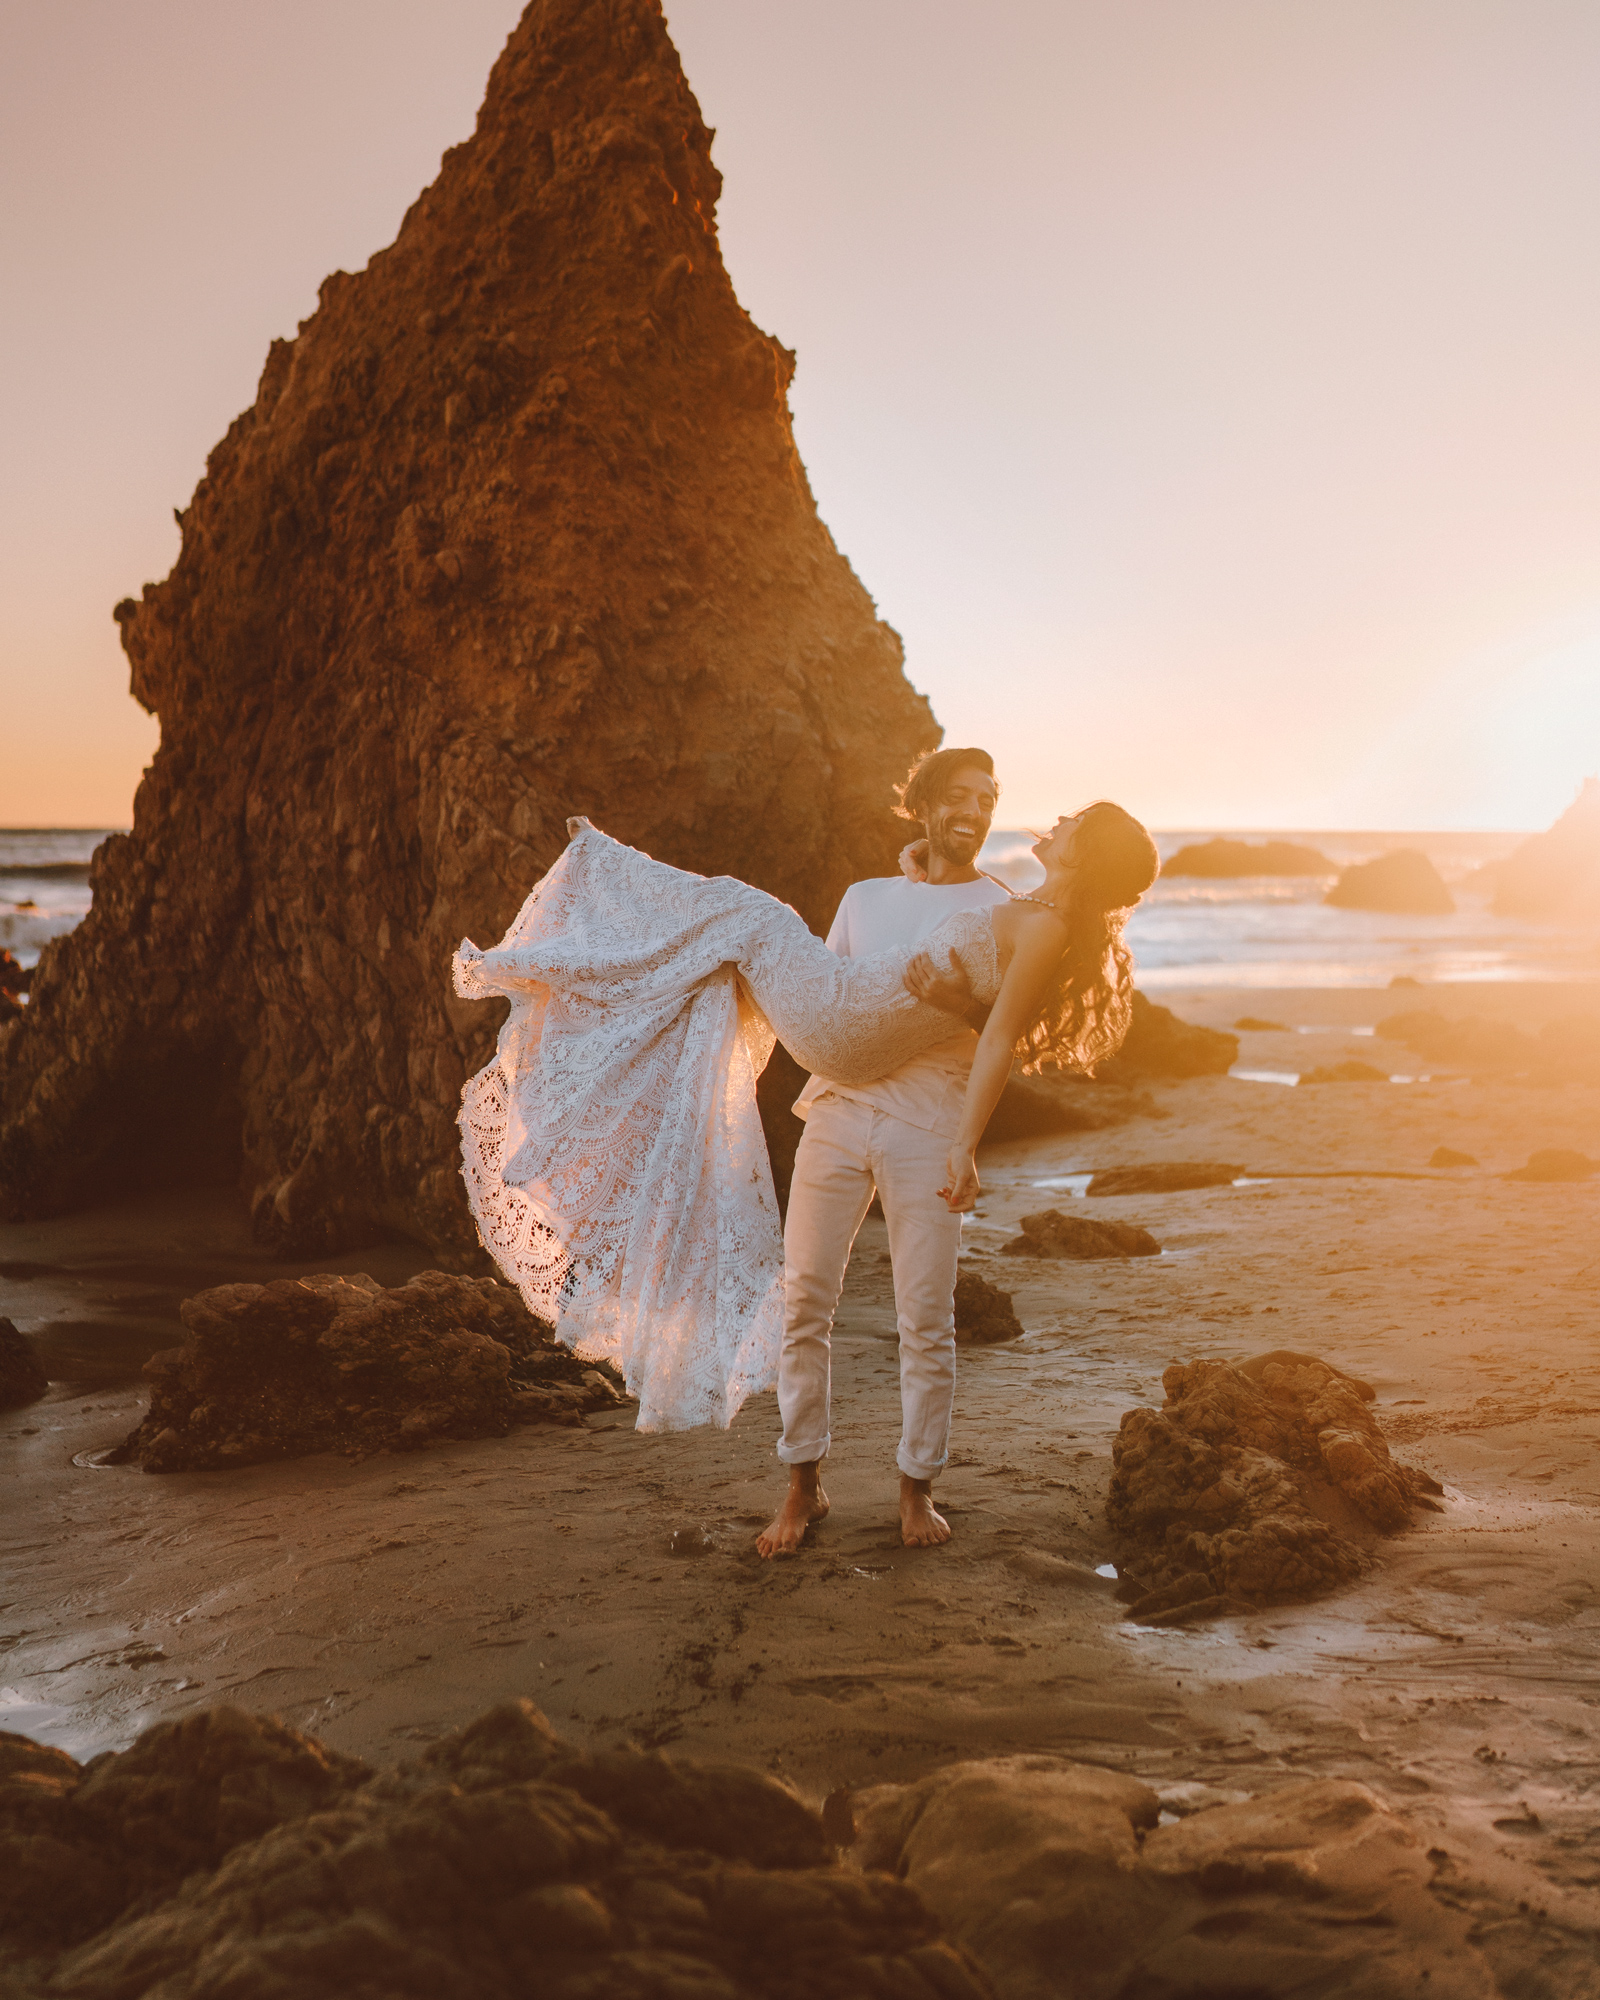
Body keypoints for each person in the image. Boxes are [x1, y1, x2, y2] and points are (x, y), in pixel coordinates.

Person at [451, 788, 1160, 1459]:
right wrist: (918, 872)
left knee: (741, 908)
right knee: (716, 951)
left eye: (1075, 821)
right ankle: (578, 959)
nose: (1058, 820)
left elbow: (1002, 1038)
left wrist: (966, 1147)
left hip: (843, 1013)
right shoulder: (1030, 910)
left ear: (1083, 853)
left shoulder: (1042, 926)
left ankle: (589, 886)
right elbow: (967, 940)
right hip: (847, 1033)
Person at [757, 748, 1010, 1557]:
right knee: (804, 1303)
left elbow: (1010, 1030)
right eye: (961, 796)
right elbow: (827, 1000)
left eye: (990, 799)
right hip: (835, 1114)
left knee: (926, 1318)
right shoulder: (865, 898)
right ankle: (802, 1486)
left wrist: (962, 1003)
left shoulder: (1002, 907)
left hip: (930, 1122)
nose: (975, 810)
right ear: (925, 805)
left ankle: (916, 1489)